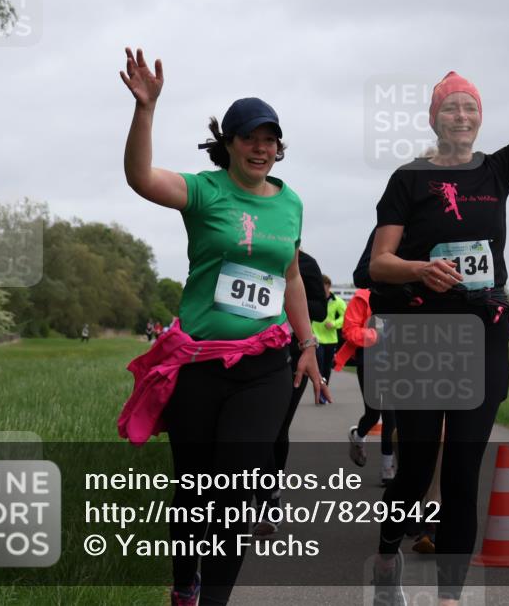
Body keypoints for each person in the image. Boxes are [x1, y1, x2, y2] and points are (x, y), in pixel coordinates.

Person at [367, 0, 509, 606]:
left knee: (463, 469)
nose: (461, 116)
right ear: (433, 118)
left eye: (470, 107)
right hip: (418, 334)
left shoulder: (498, 169)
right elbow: (381, 262)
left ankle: (449, 597)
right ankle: (388, 559)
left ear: (480, 118)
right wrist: (418, 272)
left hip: (483, 333)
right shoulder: (408, 180)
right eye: (450, 107)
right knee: (413, 470)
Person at [116, 47, 326, 606]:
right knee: (193, 490)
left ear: (279, 147)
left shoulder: (291, 203)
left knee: (236, 489)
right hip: (200, 363)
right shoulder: (205, 191)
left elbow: (291, 278)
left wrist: (306, 345)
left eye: (270, 139)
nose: (261, 148)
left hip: (264, 364)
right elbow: (140, 178)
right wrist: (145, 110)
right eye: (250, 138)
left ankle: (214, 600)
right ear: (229, 143)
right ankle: (185, 583)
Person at [253, 248, 329, 537]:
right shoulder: (251, 254)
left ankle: (270, 498)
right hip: (252, 352)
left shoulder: (306, 263)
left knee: (275, 429)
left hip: (293, 356)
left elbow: (319, 310)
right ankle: (260, 492)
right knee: (256, 430)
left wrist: (281, 297)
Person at [336, 287, 397, 485]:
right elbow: (349, 330)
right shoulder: (363, 297)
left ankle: (387, 468)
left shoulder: (403, 294)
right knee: (373, 414)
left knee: (391, 415)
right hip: (370, 362)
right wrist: (376, 335)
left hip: (397, 362)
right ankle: (358, 435)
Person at [311, 274, 346, 398]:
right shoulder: (314, 299)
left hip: (331, 339)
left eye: (324, 285)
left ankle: (324, 391)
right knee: (319, 366)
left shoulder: (337, 301)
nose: (322, 288)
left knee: (326, 368)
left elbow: (345, 317)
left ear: (328, 286)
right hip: (316, 338)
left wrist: (335, 324)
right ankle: (320, 391)